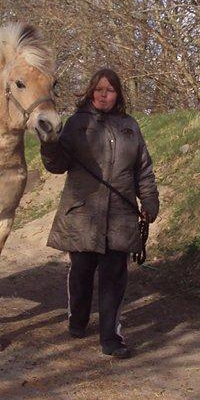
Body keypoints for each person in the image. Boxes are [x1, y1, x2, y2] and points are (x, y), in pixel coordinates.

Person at [40, 68, 159, 359]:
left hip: (120, 215)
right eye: (99, 89)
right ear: (91, 92)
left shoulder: (130, 127)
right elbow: (57, 165)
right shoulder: (76, 124)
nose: (104, 94)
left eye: (110, 90)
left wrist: (150, 200)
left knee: (114, 277)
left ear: (117, 94)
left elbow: (143, 169)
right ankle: (77, 319)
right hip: (83, 214)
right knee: (81, 272)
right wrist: (49, 144)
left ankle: (111, 338)